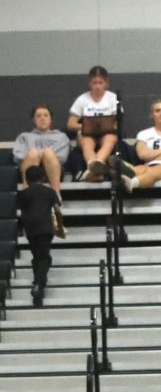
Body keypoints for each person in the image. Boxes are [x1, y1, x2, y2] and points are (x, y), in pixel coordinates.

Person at [110, 99, 161, 194]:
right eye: (157, 111)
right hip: (149, 166)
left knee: (157, 170)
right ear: (152, 114)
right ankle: (111, 173)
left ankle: (131, 183)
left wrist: (151, 153)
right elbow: (142, 154)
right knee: (135, 170)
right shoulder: (143, 134)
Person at [18, 164, 62, 307]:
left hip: (30, 229)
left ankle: (39, 286)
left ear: (27, 179)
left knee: (36, 256)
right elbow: (57, 210)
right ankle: (38, 284)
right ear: (43, 177)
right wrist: (60, 226)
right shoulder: (49, 192)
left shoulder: (23, 193)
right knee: (44, 257)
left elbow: (22, 210)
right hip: (45, 228)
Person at [66, 65, 119, 181]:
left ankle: (95, 169)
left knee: (110, 139)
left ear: (106, 83)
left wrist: (109, 126)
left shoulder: (112, 98)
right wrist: (88, 126)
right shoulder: (82, 99)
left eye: (100, 83)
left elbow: (118, 122)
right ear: (90, 83)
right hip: (87, 133)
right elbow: (70, 124)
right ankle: (94, 168)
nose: (98, 86)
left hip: (106, 133)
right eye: (94, 83)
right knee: (86, 141)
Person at [13, 104, 69, 194]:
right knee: (33, 153)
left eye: (46, 115)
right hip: (30, 170)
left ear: (51, 119)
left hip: (53, 170)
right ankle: (27, 194)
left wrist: (43, 154)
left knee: (48, 152)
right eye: (38, 116)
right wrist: (36, 154)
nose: (42, 118)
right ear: (34, 120)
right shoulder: (24, 136)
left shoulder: (61, 136)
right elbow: (18, 157)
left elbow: (62, 157)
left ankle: (56, 196)